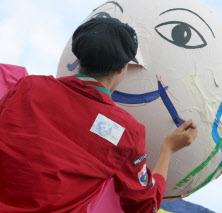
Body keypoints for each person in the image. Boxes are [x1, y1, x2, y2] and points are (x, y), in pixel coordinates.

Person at [0, 17, 198, 213]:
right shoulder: (124, 130)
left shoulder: (28, 86)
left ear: (77, 59)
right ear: (122, 69)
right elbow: (145, 205)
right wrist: (168, 150)